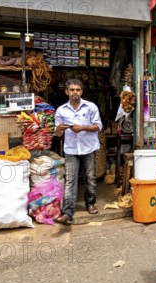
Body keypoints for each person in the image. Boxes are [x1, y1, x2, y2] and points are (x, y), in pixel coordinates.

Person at [54, 79, 103, 225]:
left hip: (88, 147)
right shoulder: (61, 110)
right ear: (67, 92)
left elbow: (98, 126)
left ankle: (90, 203)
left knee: (90, 177)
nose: (75, 92)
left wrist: (82, 128)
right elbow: (57, 134)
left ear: (81, 91)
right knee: (70, 180)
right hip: (71, 149)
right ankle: (67, 212)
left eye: (77, 90)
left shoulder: (90, 107)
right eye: (72, 90)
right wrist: (60, 128)